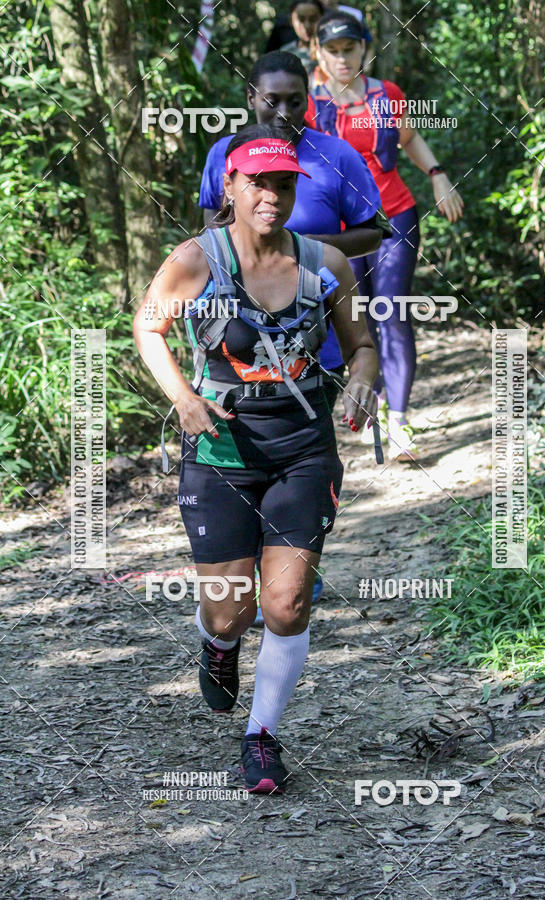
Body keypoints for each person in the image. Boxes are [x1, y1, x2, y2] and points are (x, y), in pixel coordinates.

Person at [134, 124, 379, 794]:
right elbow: (148, 326)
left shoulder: (325, 263)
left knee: (288, 602)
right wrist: (183, 397)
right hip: (219, 449)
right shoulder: (196, 259)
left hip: (303, 449)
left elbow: (361, 343)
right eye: (259, 182)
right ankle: (218, 644)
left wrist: (362, 377)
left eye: (284, 183)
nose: (272, 194)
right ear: (232, 186)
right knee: (229, 609)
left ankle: (262, 737)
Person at [199, 51, 384, 610]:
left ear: (311, 98)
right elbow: (208, 225)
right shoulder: (222, 154)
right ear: (250, 97)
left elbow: (375, 231)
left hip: (314, 345)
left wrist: (305, 255)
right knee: (241, 447)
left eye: (294, 100)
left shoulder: (337, 156)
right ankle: (250, 571)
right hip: (235, 340)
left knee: (299, 453)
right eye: (269, 99)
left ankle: (292, 569)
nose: (282, 110)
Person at [308, 11, 464, 458]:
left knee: (391, 313)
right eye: (332, 51)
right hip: (340, 230)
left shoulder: (387, 95)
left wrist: (436, 173)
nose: (342, 59)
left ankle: (399, 422)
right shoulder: (309, 103)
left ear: (364, 48)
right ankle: (368, 397)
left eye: (349, 49)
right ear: (319, 53)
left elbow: (409, 138)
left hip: (395, 216)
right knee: (353, 320)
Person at [279, 0, 324, 74]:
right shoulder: (286, 53)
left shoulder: (331, 49)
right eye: (301, 19)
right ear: (291, 20)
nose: (307, 26)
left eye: (313, 19)